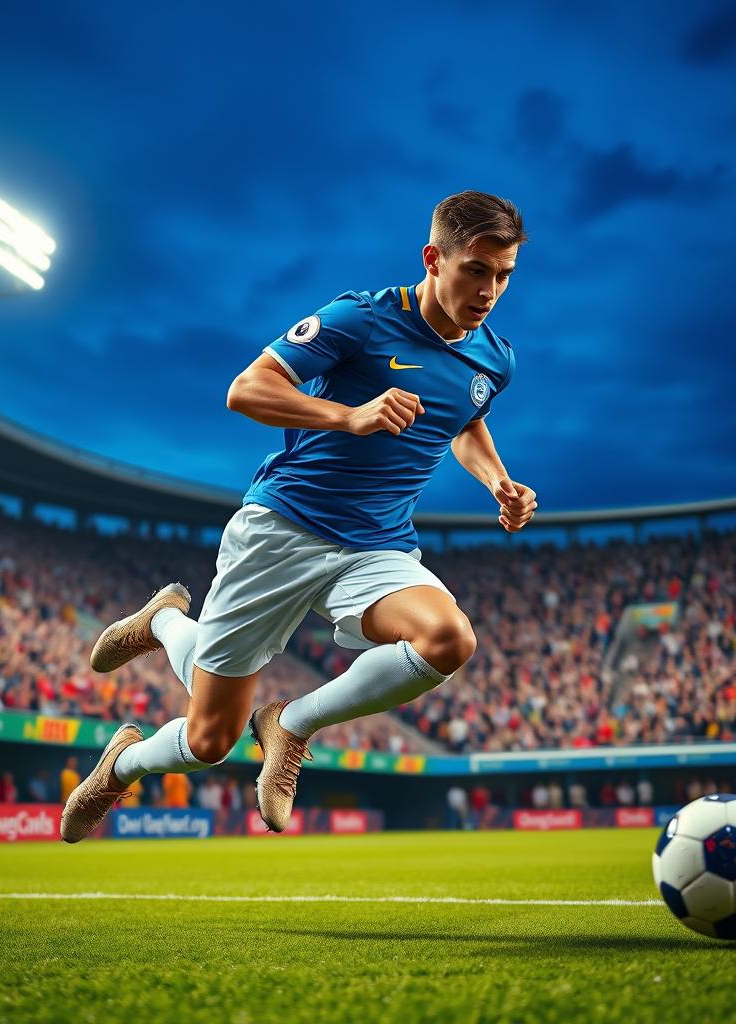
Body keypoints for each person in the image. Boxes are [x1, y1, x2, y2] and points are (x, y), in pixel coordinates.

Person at [61, 191, 535, 843]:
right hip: (283, 531)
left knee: (449, 638)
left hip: (377, 548)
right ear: (433, 259)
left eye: (504, 274)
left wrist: (500, 483)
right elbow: (247, 388)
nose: (489, 290)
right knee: (210, 741)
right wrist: (349, 414)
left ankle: (292, 724)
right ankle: (148, 685)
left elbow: (466, 421)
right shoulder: (361, 319)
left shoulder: (494, 359)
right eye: (475, 270)